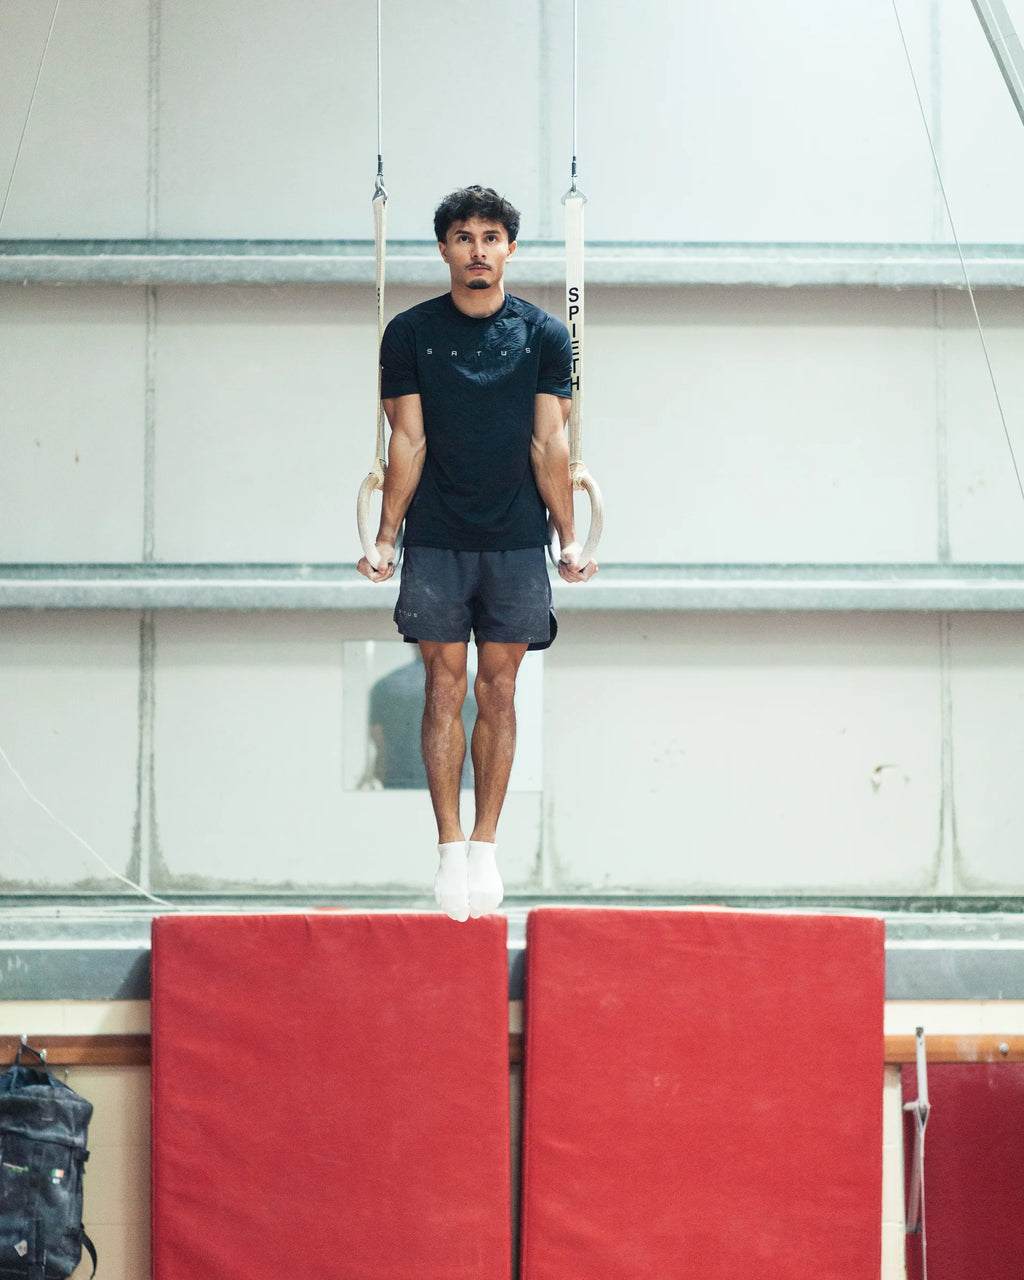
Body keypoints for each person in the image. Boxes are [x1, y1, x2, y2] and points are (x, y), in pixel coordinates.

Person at [357, 184, 597, 922]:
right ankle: (448, 846)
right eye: (463, 237)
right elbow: (408, 439)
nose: (478, 250)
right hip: (436, 536)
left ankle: (486, 846)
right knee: (440, 687)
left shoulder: (545, 335)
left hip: (516, 538)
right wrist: (387, 535)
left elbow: (549, 442)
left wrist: (569, 534)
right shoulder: (408, 334)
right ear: (444, 250)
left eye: (492, 237)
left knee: (498, 691)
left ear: (510, 249)